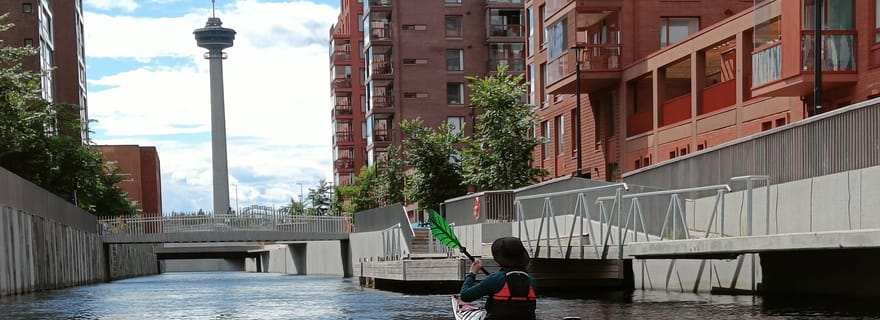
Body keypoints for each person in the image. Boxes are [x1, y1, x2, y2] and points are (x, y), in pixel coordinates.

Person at [460, 237, 536, 319]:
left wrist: (472, 273)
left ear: (498, 261)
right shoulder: (531, 281)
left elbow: (465, 296)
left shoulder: (495, 279)